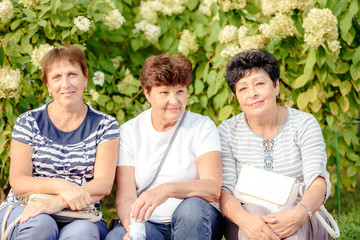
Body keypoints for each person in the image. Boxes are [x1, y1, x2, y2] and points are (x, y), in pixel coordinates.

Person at [0, 45, 120, 240]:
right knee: (41, 225)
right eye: (56, 77)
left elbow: (103, 185)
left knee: (82, 234)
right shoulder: (28, 121)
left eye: (72, 74)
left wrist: (56, 203)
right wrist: (61, 186)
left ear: (85, 78)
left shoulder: (105, 125)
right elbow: (19, 182)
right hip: (27, 207)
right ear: (47, 84)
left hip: (81, 214)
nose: (65, 84)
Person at [106, 55, 224, 240]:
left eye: (180, 91)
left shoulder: (202, 126)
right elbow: (126, 198)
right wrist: (133, 230)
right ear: (147, 93)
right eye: (164, 93)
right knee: (117, 237)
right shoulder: (129, 131)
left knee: (190, 211)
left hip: (196, 220)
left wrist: (166, 190)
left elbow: (212, 187)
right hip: (149, 222)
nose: (175, 101)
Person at [218, 49, 332, 240]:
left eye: (259, 84)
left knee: (291, 228)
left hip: (303, 214)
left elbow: (318, 180)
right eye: (243, 88)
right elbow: (225, 191)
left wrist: (299, 213)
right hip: (247, 218)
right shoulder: (227, 131)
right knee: (254, 218)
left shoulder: (304, 123)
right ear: (236, 96)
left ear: (276, 85)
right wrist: (246, 219)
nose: (252, 93)